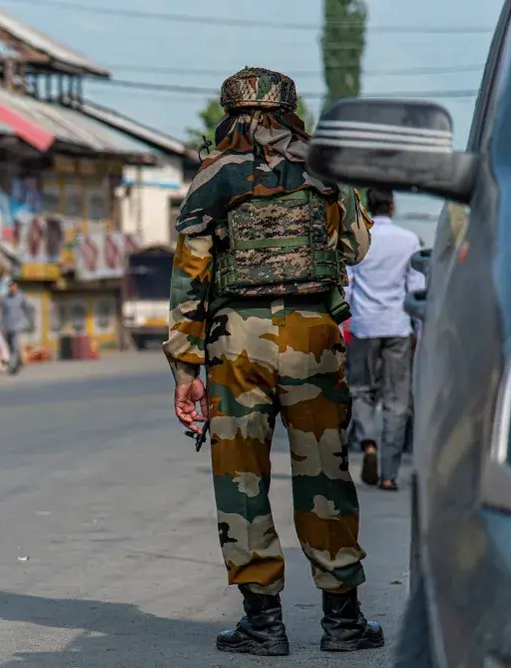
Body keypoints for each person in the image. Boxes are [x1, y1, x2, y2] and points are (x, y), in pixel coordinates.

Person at [163, 68, 382, 656]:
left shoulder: (214, 174)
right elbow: (359, 248)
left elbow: (190, 276)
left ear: (229, 113)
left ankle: (263, 624)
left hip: (235, 343)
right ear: (290, 110)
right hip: (313, 336)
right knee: (325, 476)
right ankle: (343, 621)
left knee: (242, 479)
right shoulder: (325, 167)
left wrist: (186, 369)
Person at [345, 189, 425, 491]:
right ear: (392, 206)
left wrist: (344, 328)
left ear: (367, 205)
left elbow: (348, 287)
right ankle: (389, 474)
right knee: (396, 399)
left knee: (361, 390)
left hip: (364, 326)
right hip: (397, 326)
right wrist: (419, 331)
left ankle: (368, 444)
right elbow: (415, 287)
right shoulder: (408, 239)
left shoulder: (359, 237)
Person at [0, 280, 33, 374]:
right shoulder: (4, 299)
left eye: (13, 286)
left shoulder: (21, 297)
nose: (12, 288)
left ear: (16, 287)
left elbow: (29, 310)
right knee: (10, 346)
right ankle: (17, 363)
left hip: (18, 326)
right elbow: (1, 313)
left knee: (14, 345)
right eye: (10, 287)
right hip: (7, 326)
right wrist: (0, 326)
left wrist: (31, 323)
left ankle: (12, 367)